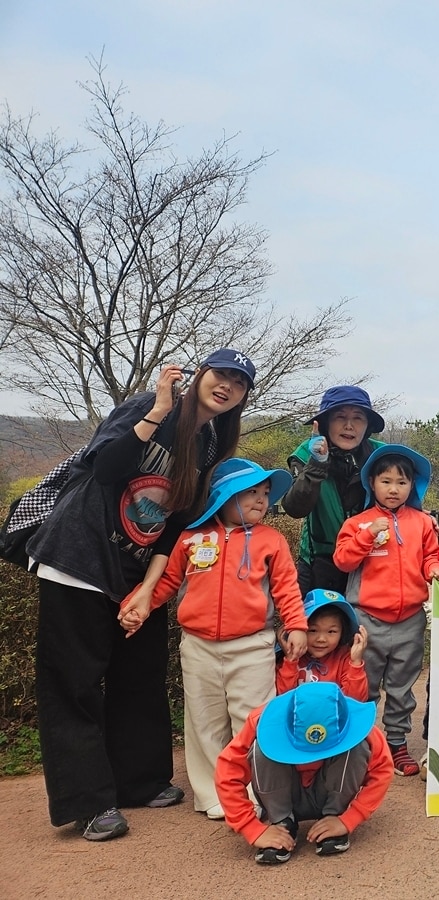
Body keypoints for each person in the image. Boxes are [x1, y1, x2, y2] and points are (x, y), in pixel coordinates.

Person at [26, 348, 254, 840]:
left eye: (239, 383)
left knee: (140, 673)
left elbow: (175, 525)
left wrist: (149, 591)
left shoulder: (211, 442)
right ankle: (87, 803)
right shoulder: (149, 406)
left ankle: (138, 780)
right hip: (79, 556)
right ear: (199, 376)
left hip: (136, 570)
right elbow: (105, 468)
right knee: (75, 682)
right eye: (221, 374)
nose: (227, 386)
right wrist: (157, 411)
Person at [119, 457, 309, 821]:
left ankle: (256, 793)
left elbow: (287, 587)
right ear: (224, 496)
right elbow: (166, 583)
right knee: (204, 721)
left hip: (252, 645)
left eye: (265, 493)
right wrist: (136, 608)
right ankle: (212, 795)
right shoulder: (191, 538)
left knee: (252, 719)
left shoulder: (272, 540)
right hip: (198, 645)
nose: (260, 500)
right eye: (251, 492)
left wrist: (296, 624)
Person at [333, 444, 439, 777]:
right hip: (366, 618)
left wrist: (435, 569)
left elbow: (430, 557)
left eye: (402, 482)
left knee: (401, 687)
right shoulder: (357, 523)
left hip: (410, 618)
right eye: (386, 481)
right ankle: (362, 745)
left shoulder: (423, 522)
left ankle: (397, 744)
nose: (394, 488)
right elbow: (343, 560)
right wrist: (367, 537)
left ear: (413, 486)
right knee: (363, 686)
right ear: (371, 483)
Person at [214, 682, 393, 864]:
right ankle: (283, 822)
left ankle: (332, 816)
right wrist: (252, 828)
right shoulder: (262, 720)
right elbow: (227, 772)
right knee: (261, 746)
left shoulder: (359, 725)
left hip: (331, 792)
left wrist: (349, 819)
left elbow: (382, 770)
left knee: (358, 746)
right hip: (284, 794)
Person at [281, 386, 386, 596]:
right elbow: (295, 508)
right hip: (319, 559)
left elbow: (400, 491)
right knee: (314, 624)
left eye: (358, 418)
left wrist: (417, 514)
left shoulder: (380, 454)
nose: (349, 426)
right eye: (340, 417)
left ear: (367, 426)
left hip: (371, 555)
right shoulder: (305, 453)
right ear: (325, 422)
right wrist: (317, 464)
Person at [276, 589, 369, 701]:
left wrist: (355, 663)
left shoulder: (344, 659)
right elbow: (282, 699)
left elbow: (356, 701)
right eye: (313, 630)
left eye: (331, 631)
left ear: (342, 632)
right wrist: (291, 660)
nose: (321, 639)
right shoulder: (292, 658)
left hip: (334, 717)